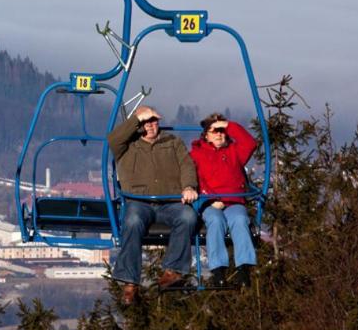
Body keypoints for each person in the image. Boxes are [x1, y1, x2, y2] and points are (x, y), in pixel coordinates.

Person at [108, 106, 199, 305]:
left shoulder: (172, 142)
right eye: (146, 122)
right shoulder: (126, 146)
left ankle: (173, 270)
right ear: (138, 125)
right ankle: (130, 281)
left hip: (170, 201)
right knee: (132, 222)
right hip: (140, 202)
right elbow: (113, 139)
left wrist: (189, 186)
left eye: (154, 121)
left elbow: (186, 165)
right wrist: (136, 118)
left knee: (188, 217)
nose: (150, 126)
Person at [189, 113, 259, 287]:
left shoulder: (234, 152)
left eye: (222, 131)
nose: (219, 134)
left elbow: (250, 143)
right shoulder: (196, 155)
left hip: (233, 200)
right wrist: (211, 199)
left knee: (240, 219)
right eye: (215, 131)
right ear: (206, 134)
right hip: (209, 201)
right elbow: (195, 180)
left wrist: (229, 125)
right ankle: (218, 268)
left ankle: (244, 267)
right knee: (215, 220)